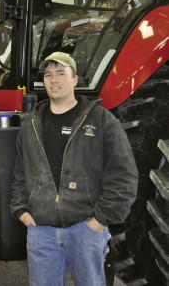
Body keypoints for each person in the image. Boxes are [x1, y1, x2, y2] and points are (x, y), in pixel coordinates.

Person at [10, 52, 138, 286]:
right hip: (42, 231)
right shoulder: (30, 124)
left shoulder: (101, 121)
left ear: (75, 79)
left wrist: (100, 220)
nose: (54, 80)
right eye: (48, 75)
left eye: (61, 73)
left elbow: (124, 175)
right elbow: (20, 172)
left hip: (85, 228)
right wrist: (21, 210)